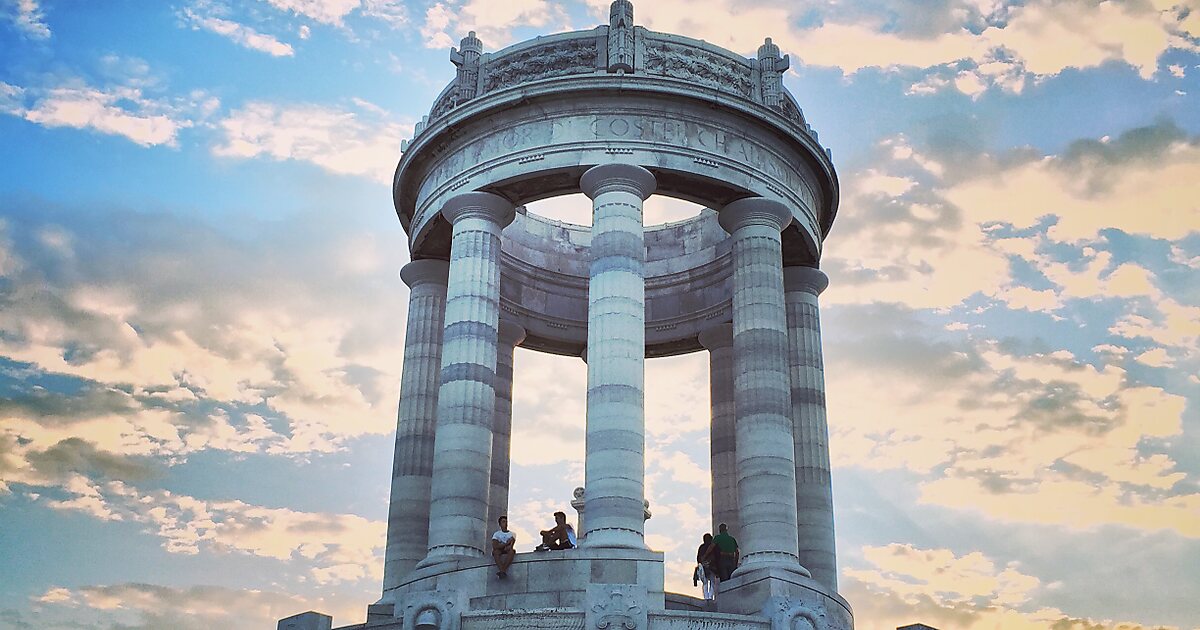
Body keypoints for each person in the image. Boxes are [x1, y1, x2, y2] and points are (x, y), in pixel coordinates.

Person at [696, 532, 719, 601]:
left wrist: (700, 563)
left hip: (703, 566)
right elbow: (717, 556)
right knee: (712, 582)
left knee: (705, 583)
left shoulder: (701, 547)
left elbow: (698, 558)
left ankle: (706, 597)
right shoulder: (713, 547)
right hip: (712, 566)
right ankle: (710, 597)